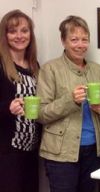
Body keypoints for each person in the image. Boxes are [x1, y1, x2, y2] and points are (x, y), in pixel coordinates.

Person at [36, 15, 100, 192]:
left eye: (84, 39)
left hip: (95, 151)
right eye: (74, 39)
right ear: (63, 41)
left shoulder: (97, 70)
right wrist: (70, 101)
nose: (80, 45)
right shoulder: (50, 69)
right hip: (60, 154)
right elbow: (40, 113)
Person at [0, 9, 41, 192]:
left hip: (31, 149)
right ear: (4, 34)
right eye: (13, 31)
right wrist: (7, 107)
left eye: (24, 31)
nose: (19, 36)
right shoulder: (1, 64)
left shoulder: (34, 65)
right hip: (7, 152)